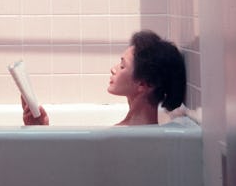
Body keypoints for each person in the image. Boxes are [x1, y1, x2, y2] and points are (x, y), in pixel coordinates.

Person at [22, 29, 187, 126]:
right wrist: (41, 129)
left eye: (122, 66)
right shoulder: (133, 132)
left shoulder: (126, 137)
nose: (113, 69)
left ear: (143, 84)